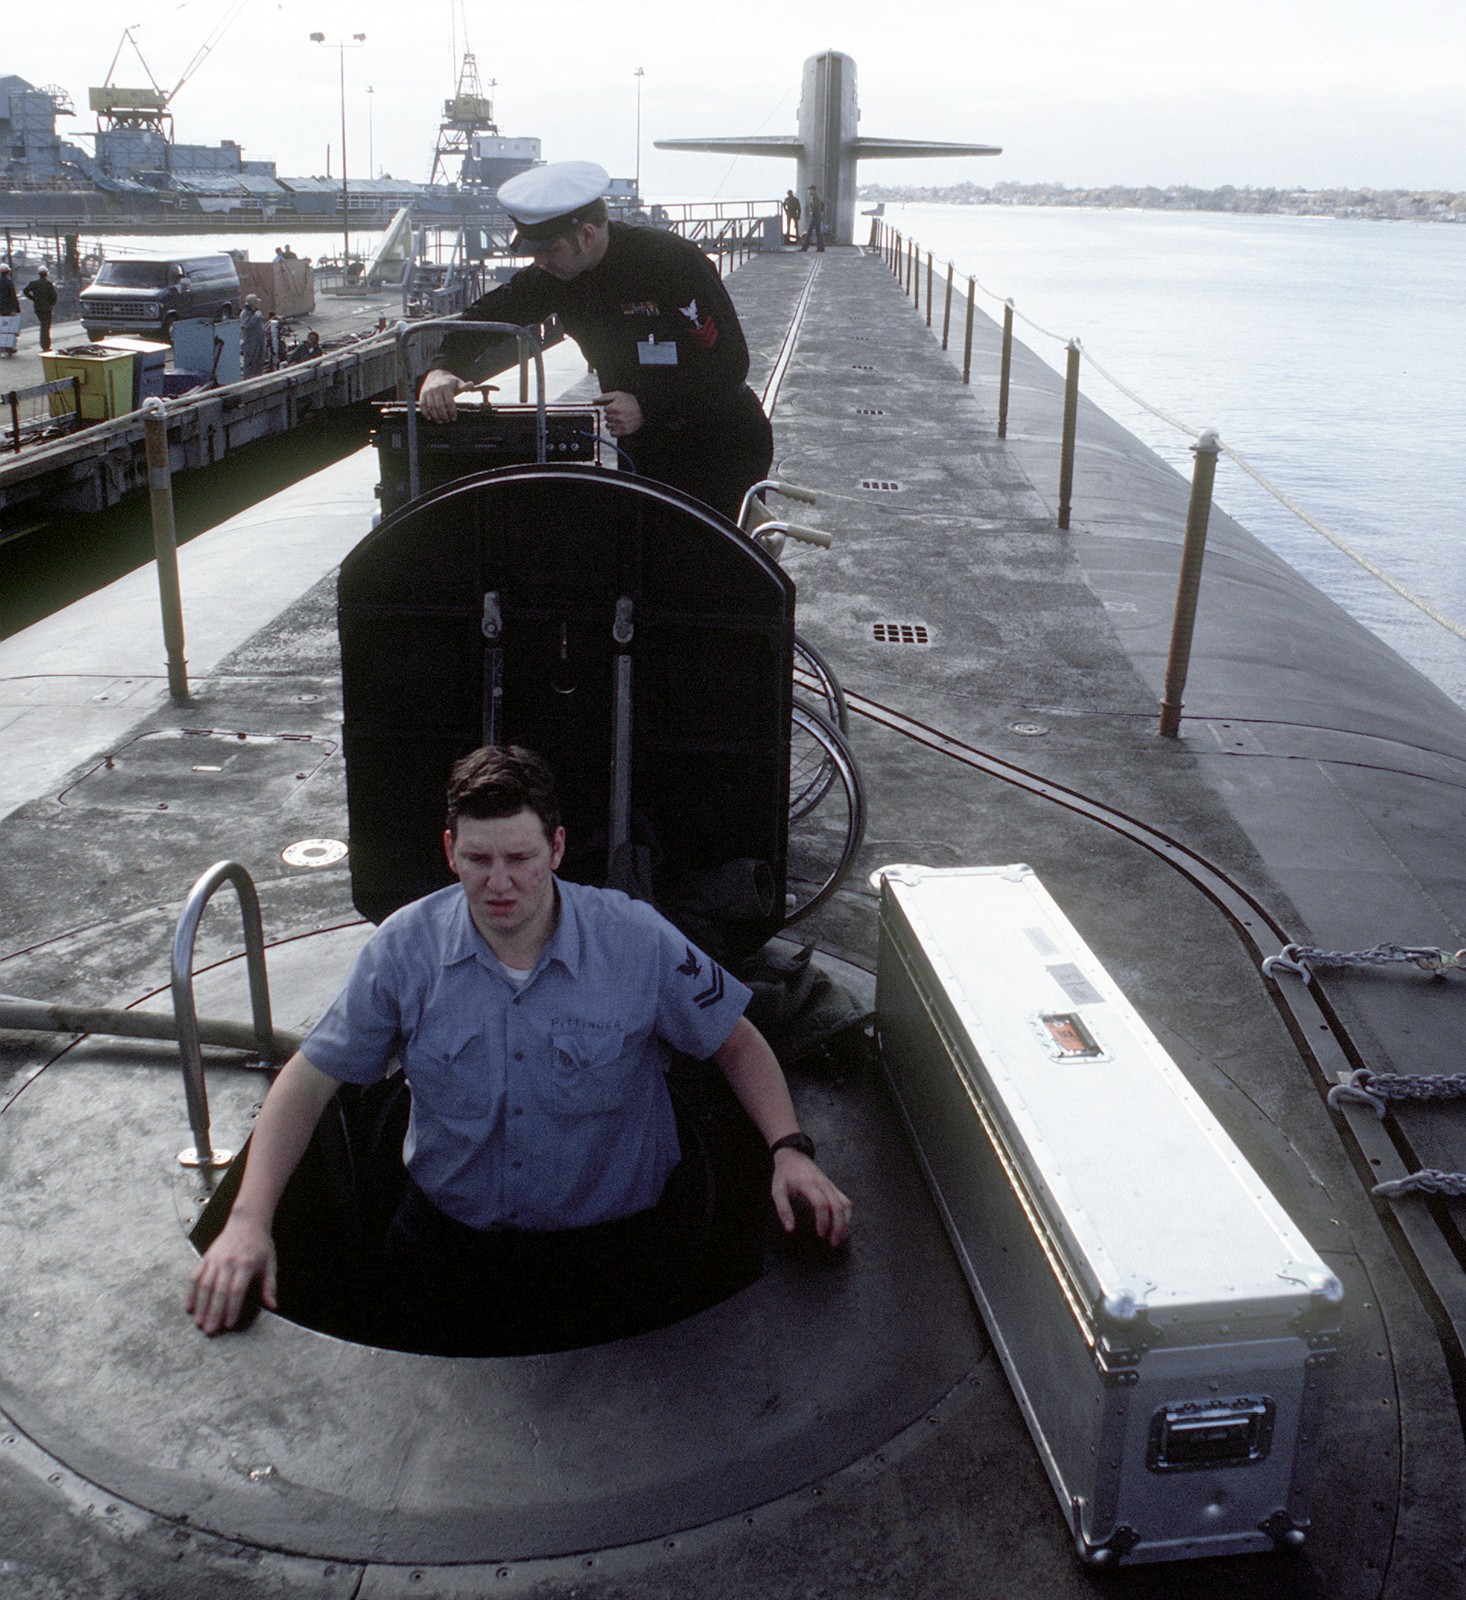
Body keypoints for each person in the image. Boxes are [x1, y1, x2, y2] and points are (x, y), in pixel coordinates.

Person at [188, 745, 852, 1352]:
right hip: (450, 1251)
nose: (499, 883)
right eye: (478, 859)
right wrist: (249, 1220)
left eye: (520, 859)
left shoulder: (635, 939)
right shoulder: (402, 950)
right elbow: (308, 1081)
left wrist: (789, 1151)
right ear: (450, 851)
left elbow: (736, 1042)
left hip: (616, 1257)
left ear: (557, 849)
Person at [419, 161, 774, 524]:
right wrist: (443, 368)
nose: (539, 261)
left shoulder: (668, 262)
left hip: (718, 443)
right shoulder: (556, 274)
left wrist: (647, 405)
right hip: (645, 448)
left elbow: (730, 363)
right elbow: (492, 312)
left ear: (586, 234)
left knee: (715, 565)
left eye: (549, 249)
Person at [23, 266, 58, 352]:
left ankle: (44, 345)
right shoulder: (49, 284)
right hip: (47, 308)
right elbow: (54, 297)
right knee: (46, 327)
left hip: (38, 308)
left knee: (43, 325)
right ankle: (46, 346)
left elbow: (25, 291)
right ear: (46, 274)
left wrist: (33, 298)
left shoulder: (34, 283)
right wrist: (51, 304)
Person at [239, 294, 267, 378]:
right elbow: (247, 325)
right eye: (256, 303)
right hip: (250, 344)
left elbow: (262, 324)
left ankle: (258, 378)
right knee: (250, 363)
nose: (258, 305)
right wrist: (256, 316)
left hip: (259, 341)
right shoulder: (244, 314)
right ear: (252, 304)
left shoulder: (257, 312)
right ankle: (248, 381)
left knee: (259, 361)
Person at [0, 266, 21, 357]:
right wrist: (15, 309)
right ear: (7, 272)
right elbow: (13, 296)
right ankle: (9, 346)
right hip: (8, 309)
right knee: (9, 329)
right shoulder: (9, 282)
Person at [800, 186, 826, 253]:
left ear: (813, 190)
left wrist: (813, 213)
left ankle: (804, 247)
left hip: (815, 216)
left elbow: (815, 207)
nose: (809, 192)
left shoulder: (815, 198)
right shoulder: (816, 197)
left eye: (810, 190)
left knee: (809, 233)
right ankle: (821, 248)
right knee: (818, 232)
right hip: (818, 216)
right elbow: (823, 205)